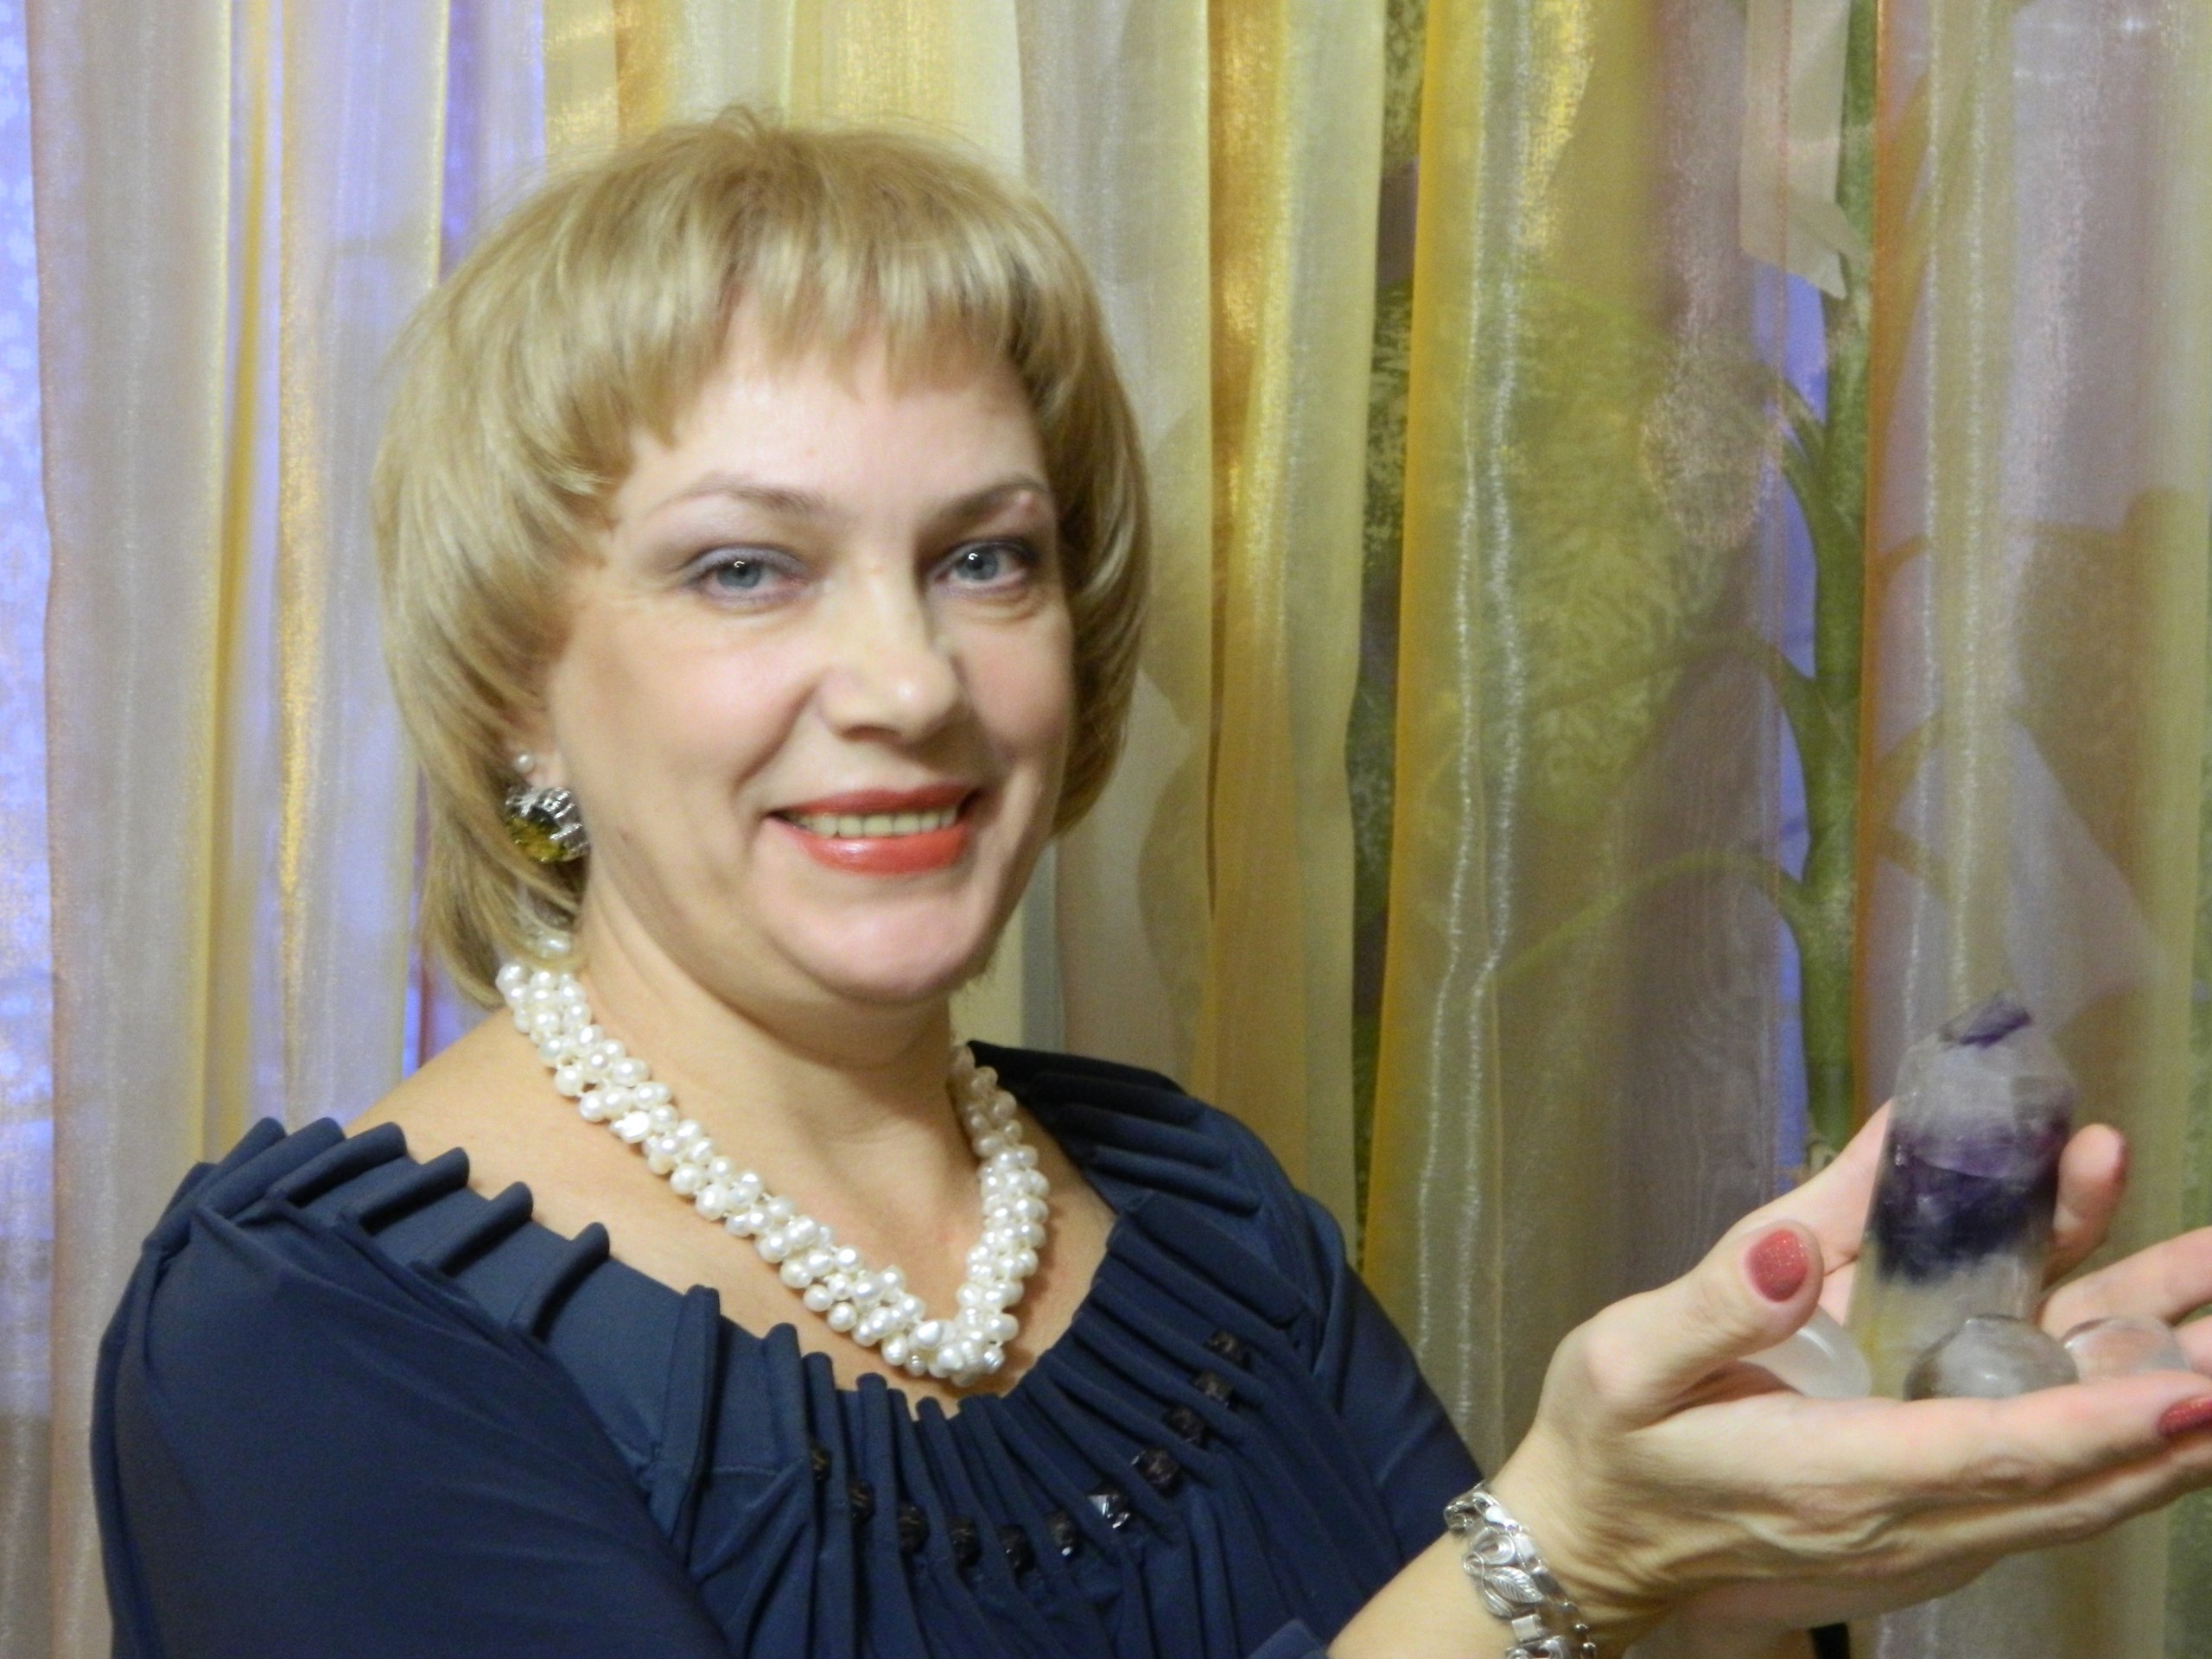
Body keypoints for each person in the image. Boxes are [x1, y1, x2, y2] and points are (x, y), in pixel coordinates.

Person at [92, 110, 2212, 1659]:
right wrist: (1558, 1556)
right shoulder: (312, 1335)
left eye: (981, 556)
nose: (910, 681)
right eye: (745, 568)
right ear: (517, 698)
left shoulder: (1195, 1211)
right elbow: (1502, 1606)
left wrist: (1730, 1555)